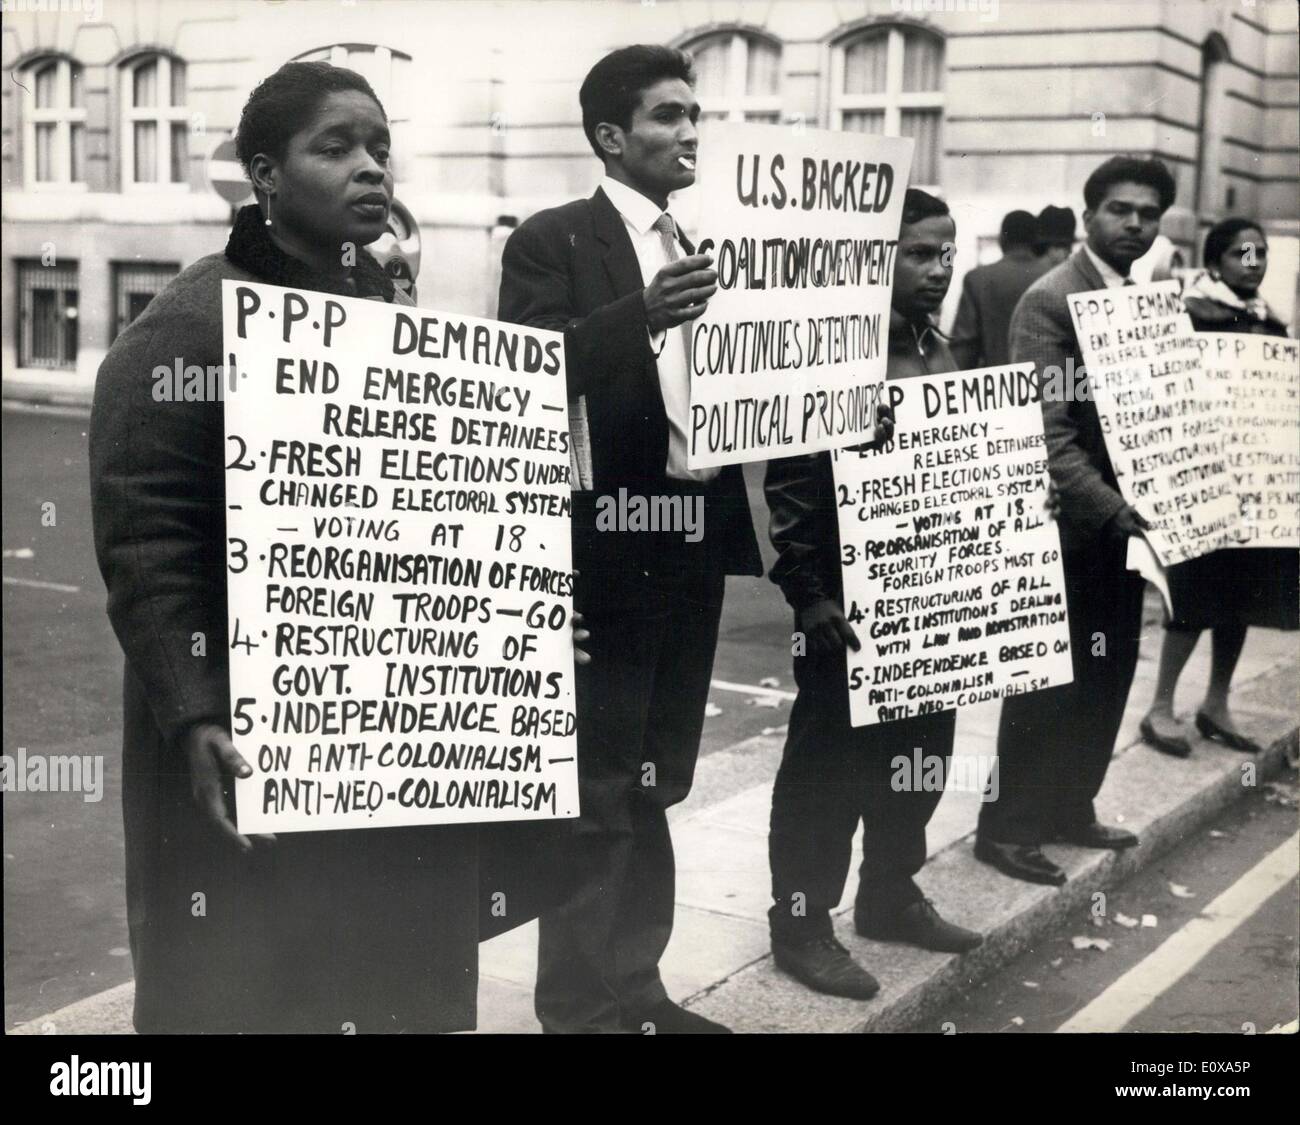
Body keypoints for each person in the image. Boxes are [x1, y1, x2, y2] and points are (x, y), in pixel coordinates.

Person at [90, 61, 585, 1033]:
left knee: (398, 982)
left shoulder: (393, 324)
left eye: (379, 146)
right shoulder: (187, 328)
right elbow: (146, 533)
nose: (370, 167)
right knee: (252, 990)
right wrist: (195, 715)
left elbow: (444, 516)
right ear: (264, 172)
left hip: (392, 745)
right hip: (249, 742)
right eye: (336, 146)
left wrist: (517, 634)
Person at [496, 45, 764, 1034]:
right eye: (667, 116)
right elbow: (525, 371)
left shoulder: (713, 235)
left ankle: (635, 987)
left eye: (696, 114)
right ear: (612, 136)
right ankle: (580, 1006)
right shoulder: (553, 239)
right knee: (600, 785)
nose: (691, 131)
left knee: (661, 774)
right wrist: (641, 313)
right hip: (604, 548)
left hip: (689, 539)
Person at [763, 190, 982, 1001]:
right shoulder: (827, 355)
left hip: (930, 600)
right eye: (920, 253)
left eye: (947, 253)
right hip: (848, 607)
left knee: (919, 759)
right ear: (873, 260)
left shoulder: (942, 347)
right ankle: (801, 923)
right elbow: (786, 482)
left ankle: (890, 892)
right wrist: (809, 594)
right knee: (826, 768)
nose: (939, 268)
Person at [974, 156, 1178, 887]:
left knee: (1110, 665)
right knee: (1047, 681)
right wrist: (1117, 512)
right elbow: (1046, 432)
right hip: (1072, 523)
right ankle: (1007, 827)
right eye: (1120, 210)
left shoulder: (1144, 296)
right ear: (1087, 215)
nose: (1134, 225)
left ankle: (1069, 804)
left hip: (1128, 528)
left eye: (1148, 214)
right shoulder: (1051, 299)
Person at [1140, 217, 1296, 758]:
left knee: (1243, 594)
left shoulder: (1272, 323)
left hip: (1256, 486)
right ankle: (1160, 707)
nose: (1253, 263)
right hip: (1201, 479)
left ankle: (1216, 702)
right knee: (1194, 593)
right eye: (1240, 254)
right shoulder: (1191, 315)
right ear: (1214, 263)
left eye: (1260, 253)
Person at [950, 209, 1049, 370]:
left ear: (1003, 239)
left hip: (997, 388)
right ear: (1036, 241)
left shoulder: (977, 279)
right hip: (1050, 387)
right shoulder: (1054, 277)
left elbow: (963, 350)